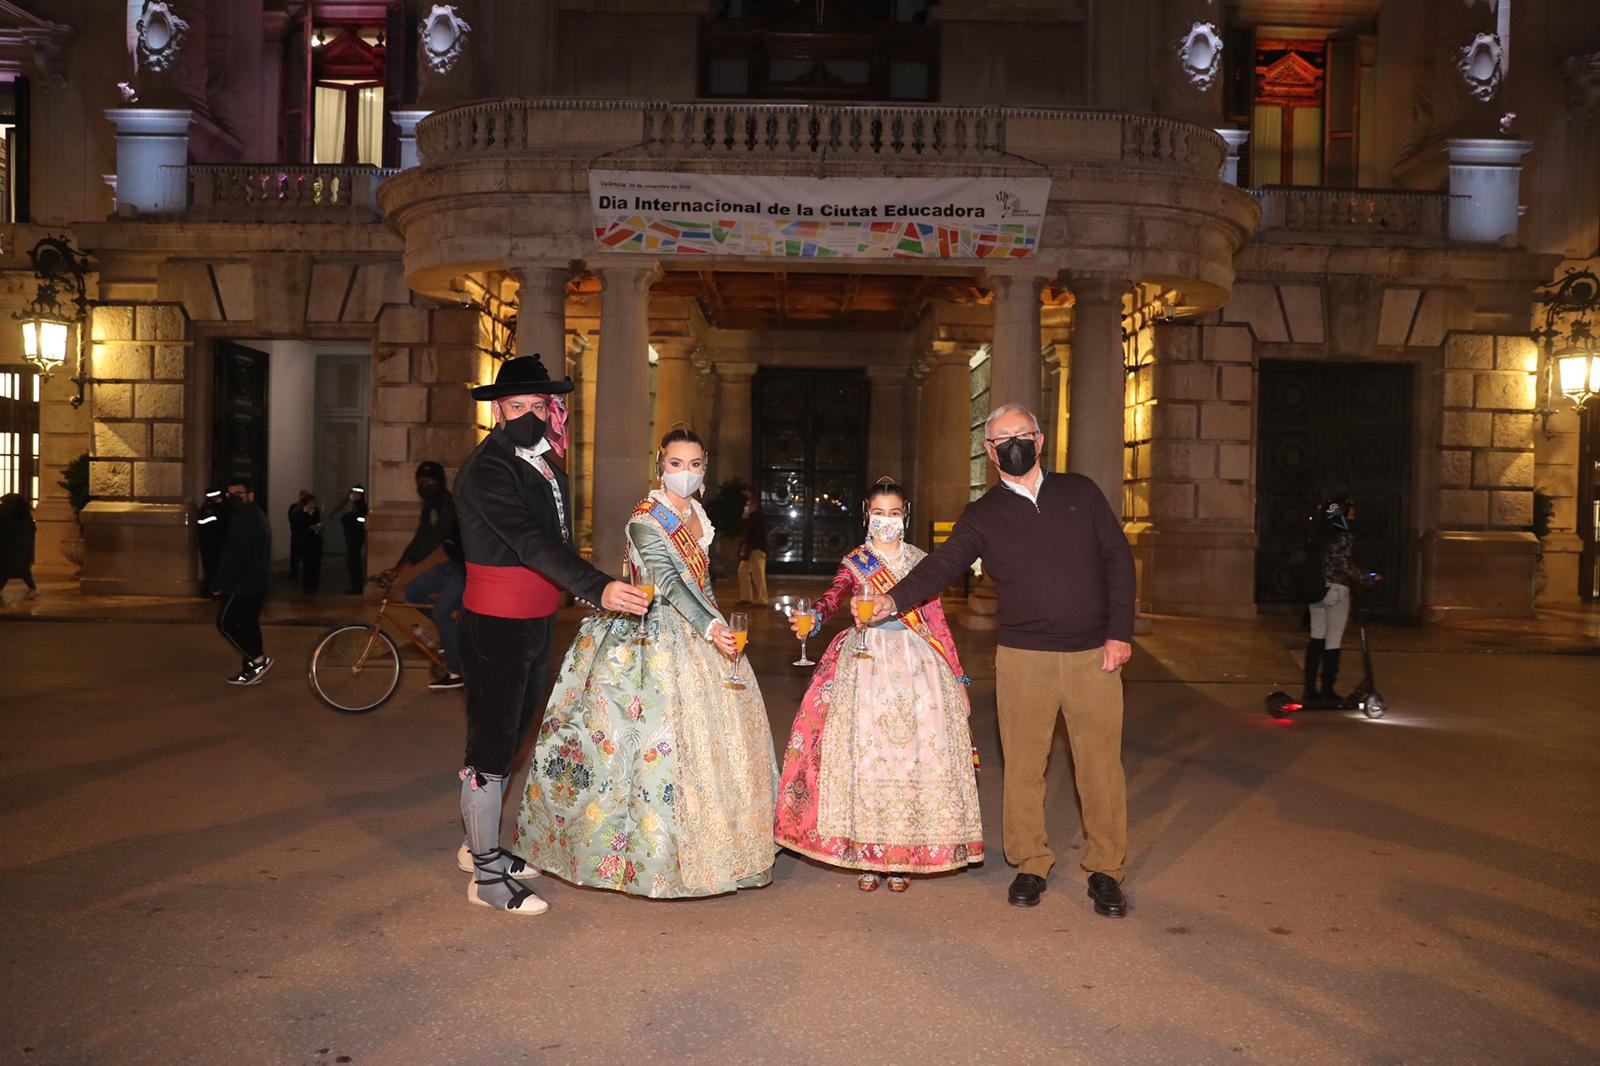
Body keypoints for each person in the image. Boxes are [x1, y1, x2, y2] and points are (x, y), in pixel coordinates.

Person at [866, 402, 1135, 917]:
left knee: (1100, 765)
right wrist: (893, 598)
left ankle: (1106, 868)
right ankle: (1031, 862)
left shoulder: (1080, 492)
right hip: (1023, 657)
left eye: (1022, 434)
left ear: (1039, 439)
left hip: (1092, 654)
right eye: (1002, 439)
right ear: (990, 452)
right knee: (1025, 766)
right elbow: (942, 565)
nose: (1014, 444)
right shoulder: (983, 514)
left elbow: (1117, 561)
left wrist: (1119, 632)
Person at [512, 425, 779, 899]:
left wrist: (714, 624)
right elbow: (671, 584)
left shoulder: (697, 512)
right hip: (644, 638)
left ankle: (721, 849)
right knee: (631, 751)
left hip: (702, 632)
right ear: (660, 466)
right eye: (676, 464)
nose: (686, 473)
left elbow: (700, 584)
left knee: (717, 745)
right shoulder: (646, 518)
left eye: (695, 465)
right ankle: (634, 856)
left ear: (705, 468)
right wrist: (709, 626)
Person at [451, 354, 650, 916]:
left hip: (535, 618)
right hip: (495, 623)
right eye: (518, 406)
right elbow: (528, 543)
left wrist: (592, 581)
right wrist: (597, 588)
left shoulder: (543, 463)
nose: (531, 416)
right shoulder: (488, 469)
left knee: (511, 737)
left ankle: (478, 845)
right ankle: (487, 877)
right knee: (490, 746)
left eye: (540, 406)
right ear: (498, 409)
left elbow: (556, 541)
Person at [774, 477, 982, 893]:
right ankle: (867, 853)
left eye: (893, 514)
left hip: (917, 666)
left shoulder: (922, 561)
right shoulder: (857, 562)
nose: (886, 521)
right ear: (867, 515)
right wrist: (813, 620)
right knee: (865, 760)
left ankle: (901, 855)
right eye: (878, 513)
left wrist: (958, 677)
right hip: (865, 663)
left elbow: (937, 621)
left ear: (904, 516)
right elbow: (832, 598)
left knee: (909, 762)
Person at [381, 461, 466, 691]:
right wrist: (398, 566)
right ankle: (452, 631)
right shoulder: (431, 505)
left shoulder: (448, 504)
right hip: (452, 565)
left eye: (429, 480)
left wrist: (404, 567)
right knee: (413, 592)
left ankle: (455, 672)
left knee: (440, 614)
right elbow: (420, 537)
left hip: (468, 568)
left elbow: (434, 538)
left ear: (439, 482)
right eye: (420, 481)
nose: (424, 484)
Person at [1304, 498, 1377, 702]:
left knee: (1316, 638)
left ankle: (1310, 690)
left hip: (1317, 591)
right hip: (1336, 591)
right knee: (1333, 641)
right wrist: (1366, 578)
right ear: (1340, 516)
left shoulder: (1318, 534)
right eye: (1350, 514)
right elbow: (1342, 563)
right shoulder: (1343, 536)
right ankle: (1327, 690)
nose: (1353, 517)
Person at [214, 478, 273, 685]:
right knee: (248, 624)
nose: (233, 498)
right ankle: (251, 669)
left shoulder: (247, 519)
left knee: (225, 624)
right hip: (255, 582)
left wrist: (219, 583)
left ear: (250, 494)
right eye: (230, 494)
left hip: (243, 584)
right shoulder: (252, 515)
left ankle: (258, 660)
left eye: (238, 494)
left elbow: (237, 556)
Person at [0, 493, 39, 604]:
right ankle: (33, 589)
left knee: (6, 570)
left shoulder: (9, 516)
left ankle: (33, 589)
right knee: (19, 570)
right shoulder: (25, 517)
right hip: (19, 549)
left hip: (10, 549)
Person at [738, 495, 769, 606]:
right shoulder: (750, 517)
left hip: (757, 549)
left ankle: (762, 599)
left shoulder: (759, 517)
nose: (747, 507)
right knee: (742, 571)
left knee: (758, 574)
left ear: (754, 505)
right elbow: (744, 531)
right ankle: (746, 597)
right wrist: (745, 517)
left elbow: (757, 534)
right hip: (749, 549)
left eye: (749, 505)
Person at [338, 485, 368, 594]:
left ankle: (357, 587)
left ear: (358, 494)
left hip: (355, 537)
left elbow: (360, 519)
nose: (352, 495)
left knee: (354, 563)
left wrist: (347, 517)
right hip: (353, 536)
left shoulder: (361, 506)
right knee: (352, 563)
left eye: (353, 493)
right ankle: (356, 586)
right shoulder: (356, 506)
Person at [196, 488, 225, 593]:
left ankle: (210, 590)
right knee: (212, 568)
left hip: (210, 543)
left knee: (211, 568)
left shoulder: (208, 507)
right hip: (211, 543)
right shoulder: (210, 508)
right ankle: (211, 591)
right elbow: (216, 525)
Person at [296, 493, 324, 594]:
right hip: (306, 542)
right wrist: (310, 528)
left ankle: (315, 584)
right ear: (307, 502)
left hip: (316, 541)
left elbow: (318, 522)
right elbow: (299, 528)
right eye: (312, 502)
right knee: (307, 564)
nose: (314, 503)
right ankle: (306, 586)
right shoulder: (300, 513)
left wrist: (319, 527)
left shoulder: (316, 511)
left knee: (316, 564)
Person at [286, 489, 309, 579]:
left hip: (305, 535)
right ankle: (294, 573)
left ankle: (305, 573)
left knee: (305, 555)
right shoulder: (294, 507)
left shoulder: (309, 507)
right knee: (295, 555)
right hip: (296, 534)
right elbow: (291, 518)